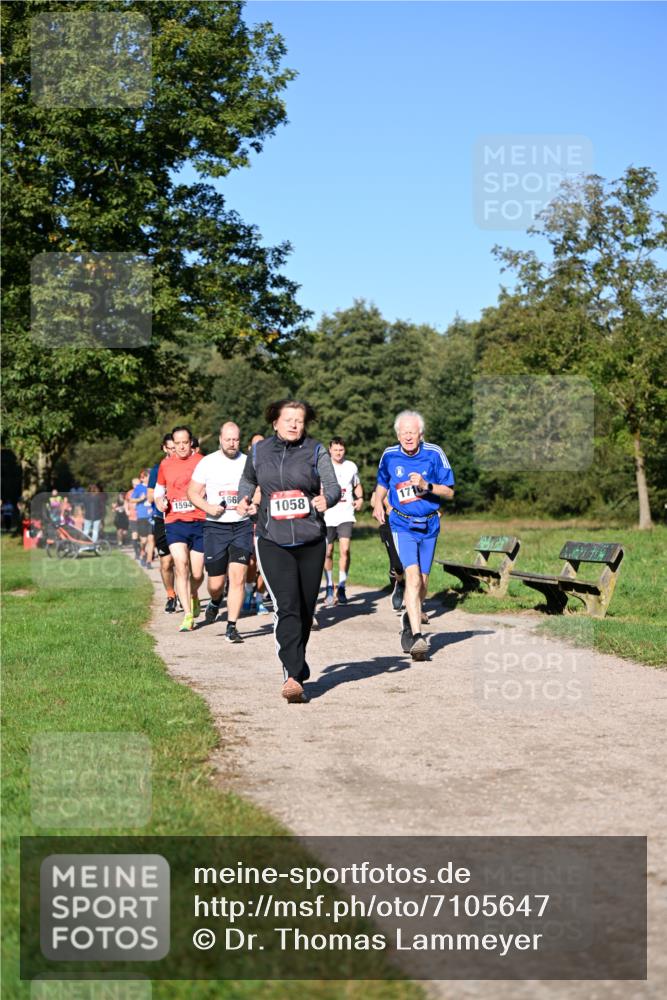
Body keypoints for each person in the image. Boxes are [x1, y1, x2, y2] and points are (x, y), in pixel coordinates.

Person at [237, 400, 341, 703]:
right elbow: (248, 480)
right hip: (271, 538)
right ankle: (293, 675)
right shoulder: (259, 451)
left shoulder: (316, 449)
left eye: (299, 420)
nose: (294, 425)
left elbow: (332, 485)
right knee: (287, 606)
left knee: (306, 610)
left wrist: (328, 500)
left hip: (310, 539)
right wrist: (246, 499)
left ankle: (296, 662)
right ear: (275, 423)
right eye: (288, 420)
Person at [373, 410, 454, 661]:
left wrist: (426, 486)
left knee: (423, 582)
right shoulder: (389, 455)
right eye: (404, 432)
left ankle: (409, 617)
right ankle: (417, 636)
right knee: (412, 577)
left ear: (421, 434)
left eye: (413, 432)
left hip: (429, 524)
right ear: (398, 434)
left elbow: (449, 492)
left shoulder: (435, 454)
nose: (408, 436)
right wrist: (377, 502)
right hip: (402, 524)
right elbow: (383, 483)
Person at [187, 421, 253, 642]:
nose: (232, 443)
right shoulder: (208, 462)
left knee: (238, 577)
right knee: (215, 583)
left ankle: (232, 626)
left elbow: (260, 489)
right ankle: (215, 601)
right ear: (220, 439)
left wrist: (254, 505)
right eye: (228, 439)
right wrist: (209, 508)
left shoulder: (248, 462)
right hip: (215, 526)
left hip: (242, 525)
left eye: (236, 439)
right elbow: (193, 493)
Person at [154, 426, 204, 631]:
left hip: (200, 520)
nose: (182, 447)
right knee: (180, 565)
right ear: (172, 444)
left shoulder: (202, 461)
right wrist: (160, 502)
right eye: (177, 443)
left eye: (185, 442)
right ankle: (187, 614)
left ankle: (193, 594)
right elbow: (158, 491)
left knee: (198, 574)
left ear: (191, 442)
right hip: (174, 521)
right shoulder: (165, 464)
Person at [322, 437, 364, 606]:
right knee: (328, 552)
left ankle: (342, 586)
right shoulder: (324, 467)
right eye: (335, 450)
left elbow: (357, 485)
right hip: (328, 515)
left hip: (346, 514)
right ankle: (329, 587)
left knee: (345, 550)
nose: (338, 453)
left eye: (341, 450)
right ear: (330, 450)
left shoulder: (351, 466)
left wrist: (360, 498)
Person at [147, 434, 179, 612]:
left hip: (182, 518)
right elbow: (150, 495)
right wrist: (163, 493)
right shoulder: (157, 469)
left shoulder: (187, 466)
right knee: (166, 562)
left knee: (183, 561)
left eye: (177, 447)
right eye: (171, 448)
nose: (174, 451)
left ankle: (188, 594)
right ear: (165, 448)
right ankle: (171, 594)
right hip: (162, 518)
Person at [370, 487, 406, 612]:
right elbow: (373, 500)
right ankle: (400, 584)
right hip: (389, 524)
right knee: (397, 565)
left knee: (414, 564)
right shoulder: (386, 473)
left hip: (410, 523)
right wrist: (384, 504)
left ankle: (414, 601)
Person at [129, 470, 151, 567]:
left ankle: (148, 561)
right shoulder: (139, 488)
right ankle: (142, 552)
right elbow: (131, 499)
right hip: (142, 516)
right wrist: (140, 499)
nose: (150, 478)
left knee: (151, 539)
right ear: (143, 478)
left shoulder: (154, 487)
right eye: (148, 476)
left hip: (152, 516)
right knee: (144, 540)